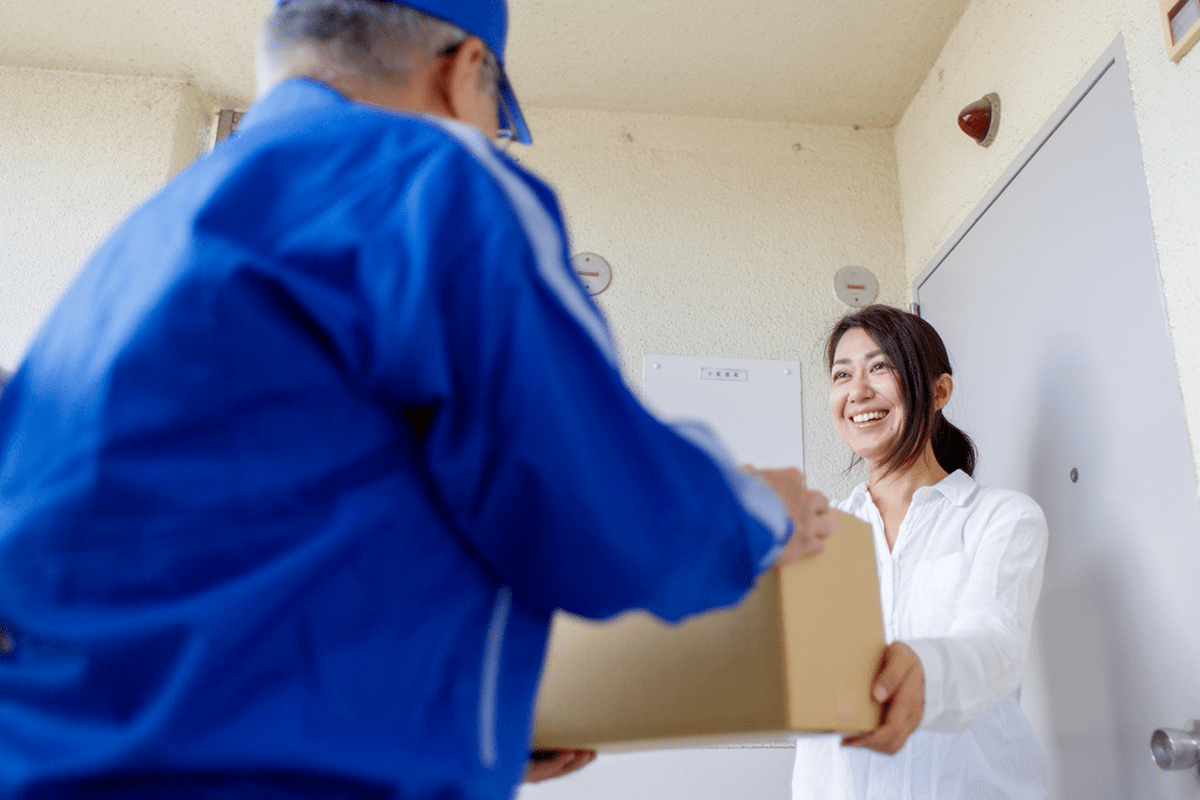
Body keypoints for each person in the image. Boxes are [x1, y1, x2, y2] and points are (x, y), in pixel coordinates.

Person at [0, 1, 832, 798]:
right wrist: (762, 510)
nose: (489, 141)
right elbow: (608, 512)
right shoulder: (430, 180)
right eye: (497, 118)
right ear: (464, 71)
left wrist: (462, 729)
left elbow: (232, 559)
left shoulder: (136, 249)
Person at [791, 305, 1049, 799]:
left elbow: (996, 643)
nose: (857, 391)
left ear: (939, 392)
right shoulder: (815, 536)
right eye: (842, 374)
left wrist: (924, 672)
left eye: (880, 366)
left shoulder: (1002, 518)